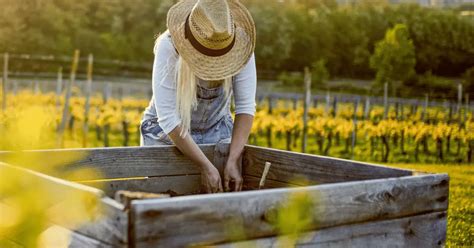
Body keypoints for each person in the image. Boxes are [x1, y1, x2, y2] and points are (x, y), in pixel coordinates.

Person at [140, 0, 257, 193]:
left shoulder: (241, 47)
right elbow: (168, 117)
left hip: (217, 129)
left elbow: (245, 107)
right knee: (162, 207)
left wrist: (233, 159)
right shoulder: (169, 46)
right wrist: (205, 166)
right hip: (166, 135)